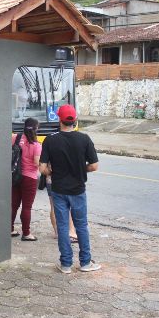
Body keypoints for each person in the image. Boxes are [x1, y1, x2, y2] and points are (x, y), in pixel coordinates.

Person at [39, 104, 101, 274]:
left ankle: (66, 264)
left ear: (59, 120)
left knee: (63, 225)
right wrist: (82, 169)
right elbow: (94, 166)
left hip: (58, 190)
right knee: (81, 226)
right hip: (78, 191)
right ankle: (85, 263)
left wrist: (52, 172)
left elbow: (42, 168)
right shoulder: (85, 139)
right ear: (75, 120)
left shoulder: (50, 140)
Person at [11, 118, 42, 241]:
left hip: (15, 176)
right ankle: (26, 233)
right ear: (36, 129)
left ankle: (10, 228)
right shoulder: (36, 145)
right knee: (27, 207)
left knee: (13, 205)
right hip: (29, 178)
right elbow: (36, 163)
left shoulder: (16, 138)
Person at [46, 177, 78, 243]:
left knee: (53, 206)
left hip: (50, 180)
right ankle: (72, 232)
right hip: (60, 180)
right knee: (66, 206)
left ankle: (57, 232)